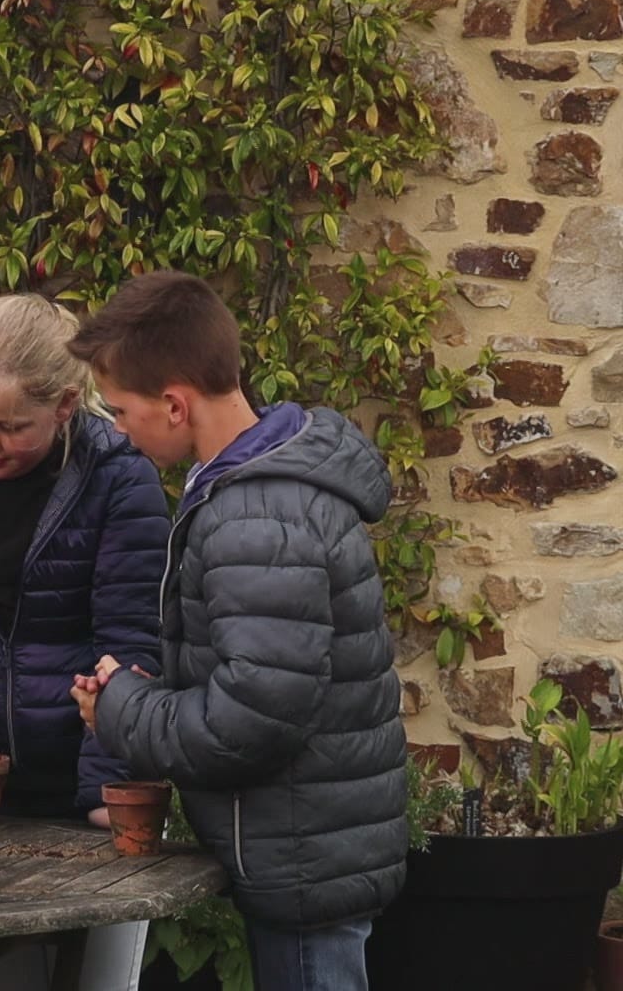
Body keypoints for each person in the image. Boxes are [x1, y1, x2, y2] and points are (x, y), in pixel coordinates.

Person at [66, 272, 407, 991]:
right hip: (307, 842)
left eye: (121, 410)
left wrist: (121, 709)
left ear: (174, 402)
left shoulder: (258, 515)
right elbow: (264, 676)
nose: (118, 429)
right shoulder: (253, 491)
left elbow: (253, 718)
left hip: (303, 857)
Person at [0, 293, 170, 826]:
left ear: (64, 405)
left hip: (84, 784)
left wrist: (104, 788)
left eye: (12, 427)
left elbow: (131, 640)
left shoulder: (120, 480)